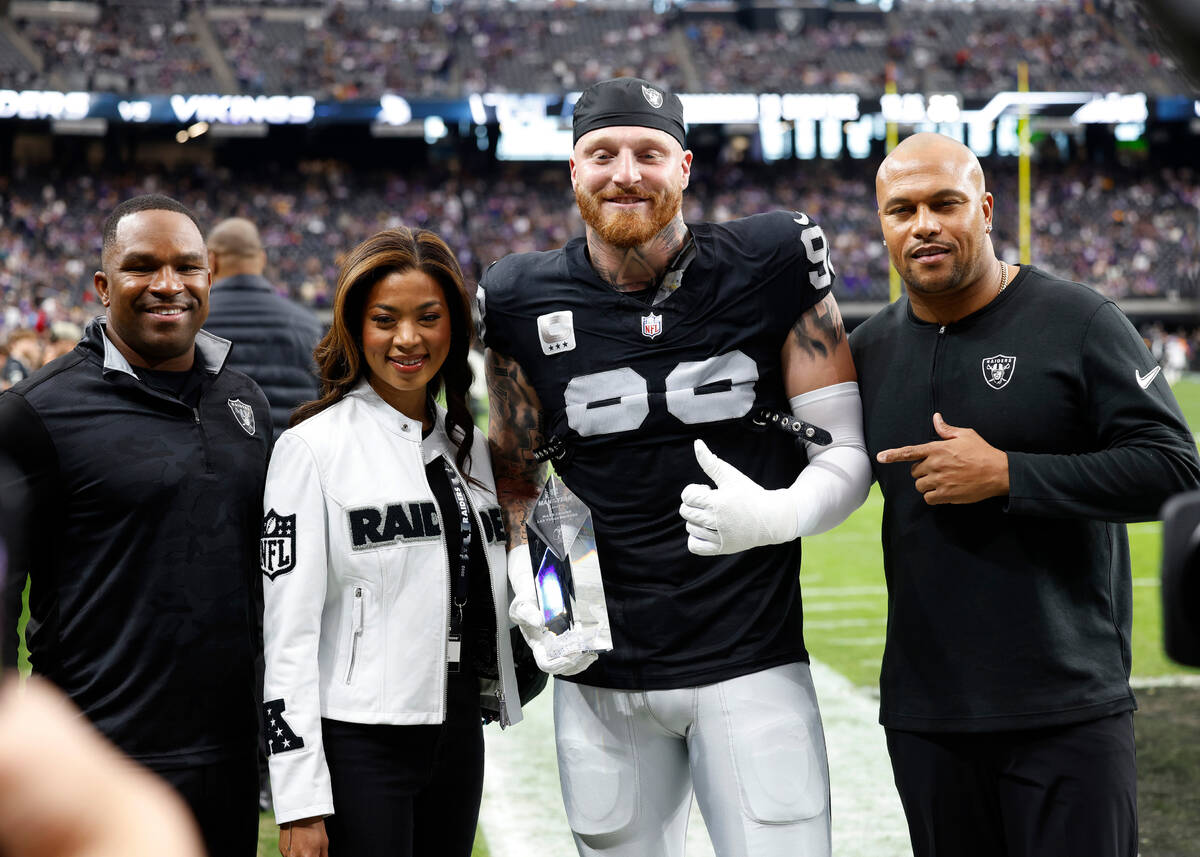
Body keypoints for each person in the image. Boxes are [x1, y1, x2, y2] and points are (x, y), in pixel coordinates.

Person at [479, 77, 871, 857]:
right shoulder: (519, 296)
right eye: (602, 153)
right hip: (600, 671)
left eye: (649, 152)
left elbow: (843, 451)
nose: (626, 171)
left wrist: (779, 514)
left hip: (749, 656)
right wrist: (535, 578)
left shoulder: (771, 259)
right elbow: (518, 477)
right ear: (572, 171)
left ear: (685, 167)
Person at [848, 132, 1200, 857]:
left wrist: (1014, 474)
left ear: (982, 209)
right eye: (901, 209)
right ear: (882, 225)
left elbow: (1175, 469)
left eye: (944, 204)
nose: (924, 225)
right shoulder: (869, 349)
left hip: (1065, 707)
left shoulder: (1078, 321)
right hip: (928, 716)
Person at [0, 193, 271, 857]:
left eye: (187, 266)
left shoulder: (245, 401)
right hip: (99, 762)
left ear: (210, 277)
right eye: (141, 267)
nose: (167, 284)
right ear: (102, 285)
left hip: (231, 759)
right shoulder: (35, 412)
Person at [261, 227, 527, 857]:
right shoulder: (310, 449)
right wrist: (298, 799)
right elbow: (287, 636)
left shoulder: (474, 452)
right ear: (356, 328)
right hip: (361, 742)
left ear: (454, 329)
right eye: (385, 319)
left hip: (460, 730)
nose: (408, 338)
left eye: (428, 318)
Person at [205, 216, 324, 438]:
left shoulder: (194, 322)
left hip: (221, 461)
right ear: (262, 258)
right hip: (291, 460)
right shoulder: (308, 324)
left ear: (211, 260)